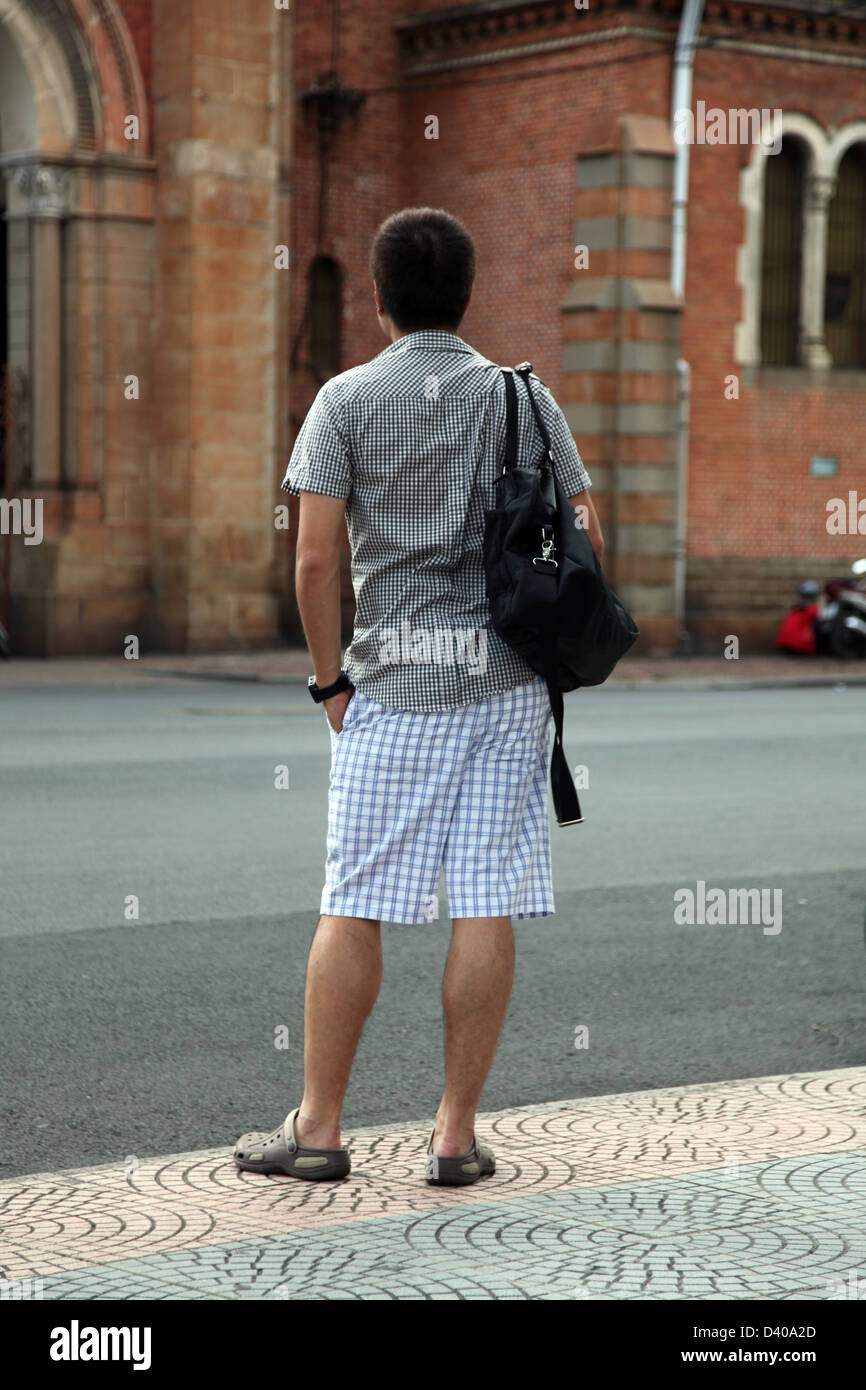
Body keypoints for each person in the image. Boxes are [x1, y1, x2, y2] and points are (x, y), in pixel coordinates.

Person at [234, 207, 604, 1187]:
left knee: (352, 903)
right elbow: (582, 542)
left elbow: (315, 559)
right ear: (468, 293)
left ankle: (318, 1132)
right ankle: (451, 1135)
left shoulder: (343, 400)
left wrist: (328, 681)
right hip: (505, 687)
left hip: (389, 688)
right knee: (485, 901)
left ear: (377, 295)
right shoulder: (522, 399)